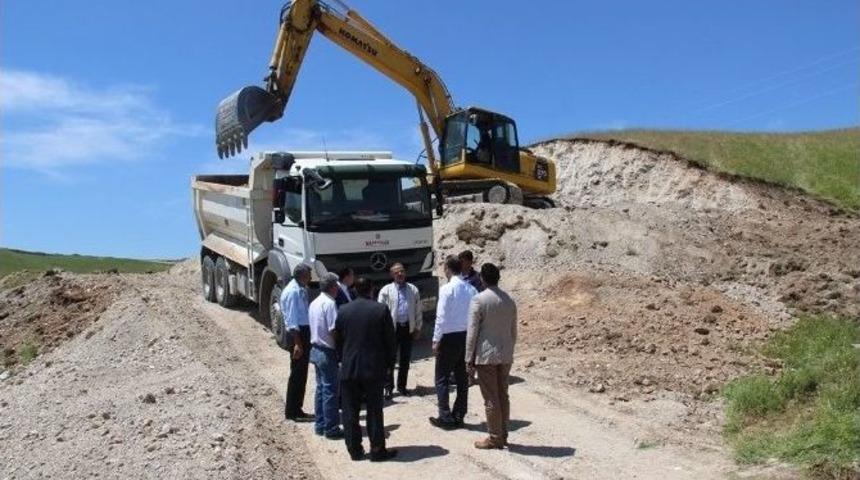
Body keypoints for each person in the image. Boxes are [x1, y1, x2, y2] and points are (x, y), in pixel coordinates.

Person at [336, 277, 398, 462]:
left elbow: (338, 339)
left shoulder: (343, 310)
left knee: (350, 411)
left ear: (355, 290)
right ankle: (377, 450)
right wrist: (389, 366)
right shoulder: (380, 310)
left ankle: (355, 451)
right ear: (371, 289)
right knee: (374, 410)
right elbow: (390, 341)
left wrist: (343, 359)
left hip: (349, 368)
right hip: (373, 368)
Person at [465, 263, 517, 449]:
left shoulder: (479, 300)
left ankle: (495, 437)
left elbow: (472, 331)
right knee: (503, 394)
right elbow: (513, 331)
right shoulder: (509, 300)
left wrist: (468, 358)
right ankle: (503, 433)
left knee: (491, 398)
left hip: (486, 356)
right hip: (505, 354)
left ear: (482, 279)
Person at [429, 255, 478, 430]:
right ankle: (459, 414)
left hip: (449, 338)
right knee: (462, 378)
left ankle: (445, 416)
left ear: (448, 269)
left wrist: (436, 340)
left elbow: (440, 317)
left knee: (442, 378)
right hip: (465, 337)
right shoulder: (471, 289)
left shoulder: (447, 289)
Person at [377, 263, 422, 399]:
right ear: (392, 275)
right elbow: (380, 311)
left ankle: (402, 386)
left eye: (402, 271)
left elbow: (418, 310)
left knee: (405, 360)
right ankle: (388, 388)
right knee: (389, 360)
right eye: (396, 272)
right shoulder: (386, 290)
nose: (400, 274)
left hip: (407, 328)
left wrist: (418, 328)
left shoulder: (413, 289)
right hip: (392, 330)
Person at [309, 272, 344, 439]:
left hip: (315, 349)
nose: (338, 288)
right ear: (332, 287)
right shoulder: (330, 304)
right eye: (336, 285)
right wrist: (341, 346)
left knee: (321, 389)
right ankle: (331, 428)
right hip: (327, 350)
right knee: (330, 390)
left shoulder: (314, 302)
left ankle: (320, 424)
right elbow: (333, 329)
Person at [282, 264, 314, 422]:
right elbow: (292, 320)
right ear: (302, 275)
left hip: (302, 333)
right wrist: (298, 343)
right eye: (309, 274)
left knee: (301, 374)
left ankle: (297, 408)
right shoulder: (293, 292)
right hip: (297, 335)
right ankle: (292, 411)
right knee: (297, 374)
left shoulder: (300, 289)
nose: (311, 277)